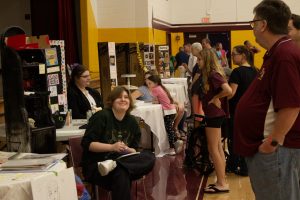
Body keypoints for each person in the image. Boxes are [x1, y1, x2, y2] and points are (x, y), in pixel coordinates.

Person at [234, 1, 300, 199]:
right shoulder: (278, 52)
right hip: (273, 150)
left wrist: (271, 143)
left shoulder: (284, 55)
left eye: (253, 23)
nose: (252, 28)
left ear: (262, 24)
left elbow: (291, 105)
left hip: (275, 151)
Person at [81, 86, 155, 200]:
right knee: (122, 173)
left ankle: (116, 164)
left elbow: (134, 150)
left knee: (150, 156)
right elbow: (87, 144)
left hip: (121, 161)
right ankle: (116, 165)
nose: (123, 99)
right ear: (112, 101)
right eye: (119, 97)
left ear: (130, 102)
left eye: (126, 97)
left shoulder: (132, 122)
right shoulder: (102, 116)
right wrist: (112, 147)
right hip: (98, 165)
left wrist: (129, 150)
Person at [196, 49, 232, 194]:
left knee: (214, 149)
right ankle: (221, 180)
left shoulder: (213, 74)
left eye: (199, 59)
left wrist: (214, 98)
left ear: (207, 60)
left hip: (214, 115)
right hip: (216, 114)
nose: (197, 62)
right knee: (217, 148)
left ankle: (222, 183)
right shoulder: (210, 75)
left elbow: (228, 90)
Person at [226, 45, 258, 176]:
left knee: (234, 139)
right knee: (248, 139)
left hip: (238, 110)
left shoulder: (237, 72)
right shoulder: (256, 70)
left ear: (243, 56)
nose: (232, 57)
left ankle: (233, 165)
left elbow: (231, 93)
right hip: (252, 111)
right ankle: (247, 167)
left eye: (234, 54)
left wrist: (219, 97)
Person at [131, 71, 185, 139]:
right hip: (151, 112)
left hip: (161, 111)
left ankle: (175, 129)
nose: (147, 81)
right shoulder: (143, 89)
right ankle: (172, 138)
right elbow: (130, 98)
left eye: (149, 79)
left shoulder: (158, 88)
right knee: (173, 113)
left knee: (181, 108)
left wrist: (178, 103)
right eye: (145, 79)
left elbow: (167, 98)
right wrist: (142, 102)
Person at [146, 75, 184, 155]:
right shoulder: (161, 88)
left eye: (150, 83)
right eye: (147, 83)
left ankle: (172, 147)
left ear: (155, 83)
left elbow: (155, 101)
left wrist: (153, 101)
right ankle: (175, 142)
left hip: (168, 112)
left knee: (168, 130)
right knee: (169, 129)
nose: (148, 85)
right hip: (172, 110)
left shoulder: (155, 89)